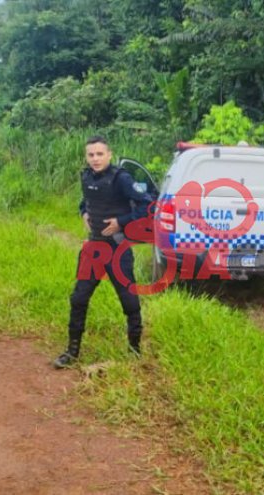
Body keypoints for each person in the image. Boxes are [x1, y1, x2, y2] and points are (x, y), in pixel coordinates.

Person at [53, 135, 152, 369]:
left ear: (109, 154)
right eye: (91, 155)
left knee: (129, 302)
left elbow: (147, 204)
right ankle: (72, 352)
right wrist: (83, 212)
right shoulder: (86, 176)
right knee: (78, 299)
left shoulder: (122, 179)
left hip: (117, 249)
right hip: (94, 248)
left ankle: (135, 351)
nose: (95, 159)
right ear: (86, 156)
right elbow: (87, 199)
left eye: (99, 154)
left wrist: (122, 221)